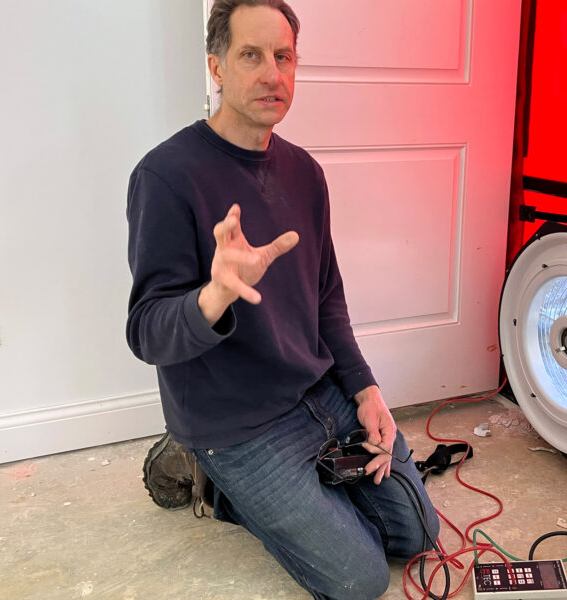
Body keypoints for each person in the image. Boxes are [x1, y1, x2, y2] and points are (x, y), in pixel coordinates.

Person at [125, 1, 440, 598]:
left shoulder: (305, 173)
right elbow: (146, 331)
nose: (273, 73)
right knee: (360, 579)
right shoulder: (165, 175)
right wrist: (215, 294)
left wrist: (365, 389)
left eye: (284, 56)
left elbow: (328, 301)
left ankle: (303, 489)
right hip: (235, 423)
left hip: (316, 393)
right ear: (216, 67)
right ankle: (218, 484)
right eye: (252, 55)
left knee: (418, 534)